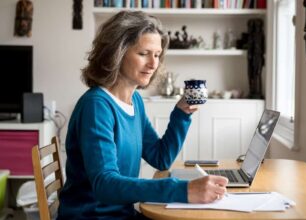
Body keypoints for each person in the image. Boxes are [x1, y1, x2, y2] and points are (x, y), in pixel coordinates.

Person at [57, 11, 228, 220]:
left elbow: (160, 157)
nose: (153, 63)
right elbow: (104, 184)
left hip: (122, 214)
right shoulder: (97, 106)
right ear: (117, 53)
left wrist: (181, 114)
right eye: (144, 53)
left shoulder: (135, 101)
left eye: (157, 55)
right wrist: (183, 190)